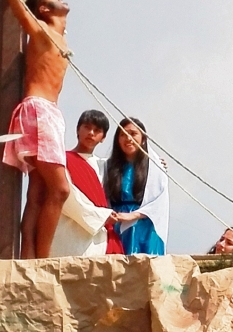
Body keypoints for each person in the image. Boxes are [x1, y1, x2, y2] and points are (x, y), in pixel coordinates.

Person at [0, 0, 71, 258]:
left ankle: (29, 259)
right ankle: (42, 259)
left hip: (51, 113)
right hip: (38, 109)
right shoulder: (41, 31)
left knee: (39, 192)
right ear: (44, 10)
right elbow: (19, 9)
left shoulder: (61, 39)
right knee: (60, 189)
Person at [52, 109, 123, 257]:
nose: (91, 133)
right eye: (87, 127)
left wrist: (157, 165)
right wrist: (102, 217)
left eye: (97, 130)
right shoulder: (62, 160)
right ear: (78, 130)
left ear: (103, 137)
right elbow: (68, 199)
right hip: (70, 236)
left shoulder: (104, 166)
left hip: (100, 239)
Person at [104, 117, 169, 255]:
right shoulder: (108, 167)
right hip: (117, 223)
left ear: (143, 138)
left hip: (144, 227)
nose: (128, 138)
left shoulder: (155, 167)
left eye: (133, 134)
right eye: (123, 134)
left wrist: (133, 215)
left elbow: (159, 201)